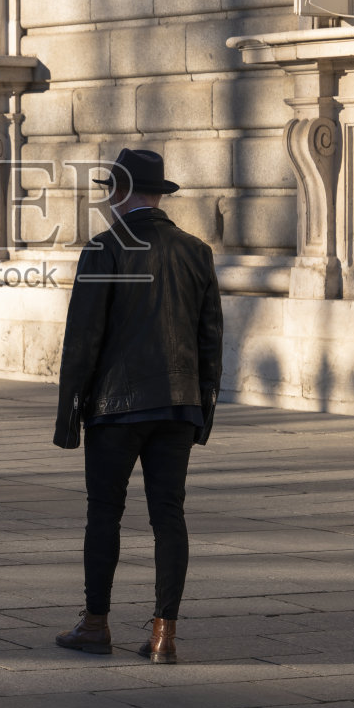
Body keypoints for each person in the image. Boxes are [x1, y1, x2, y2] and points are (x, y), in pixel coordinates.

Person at [53, 148, 223, 664]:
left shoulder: (105, 248)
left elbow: (83, 338)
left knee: (104, 513)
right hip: (177, 406)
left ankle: (96, 624)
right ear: (157, 195)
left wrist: (69, 414)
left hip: (115, 406)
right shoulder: (196, 251)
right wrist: (202, 411)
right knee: (168, 515)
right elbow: (210, 337)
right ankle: (163, 634)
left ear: (120, 193)